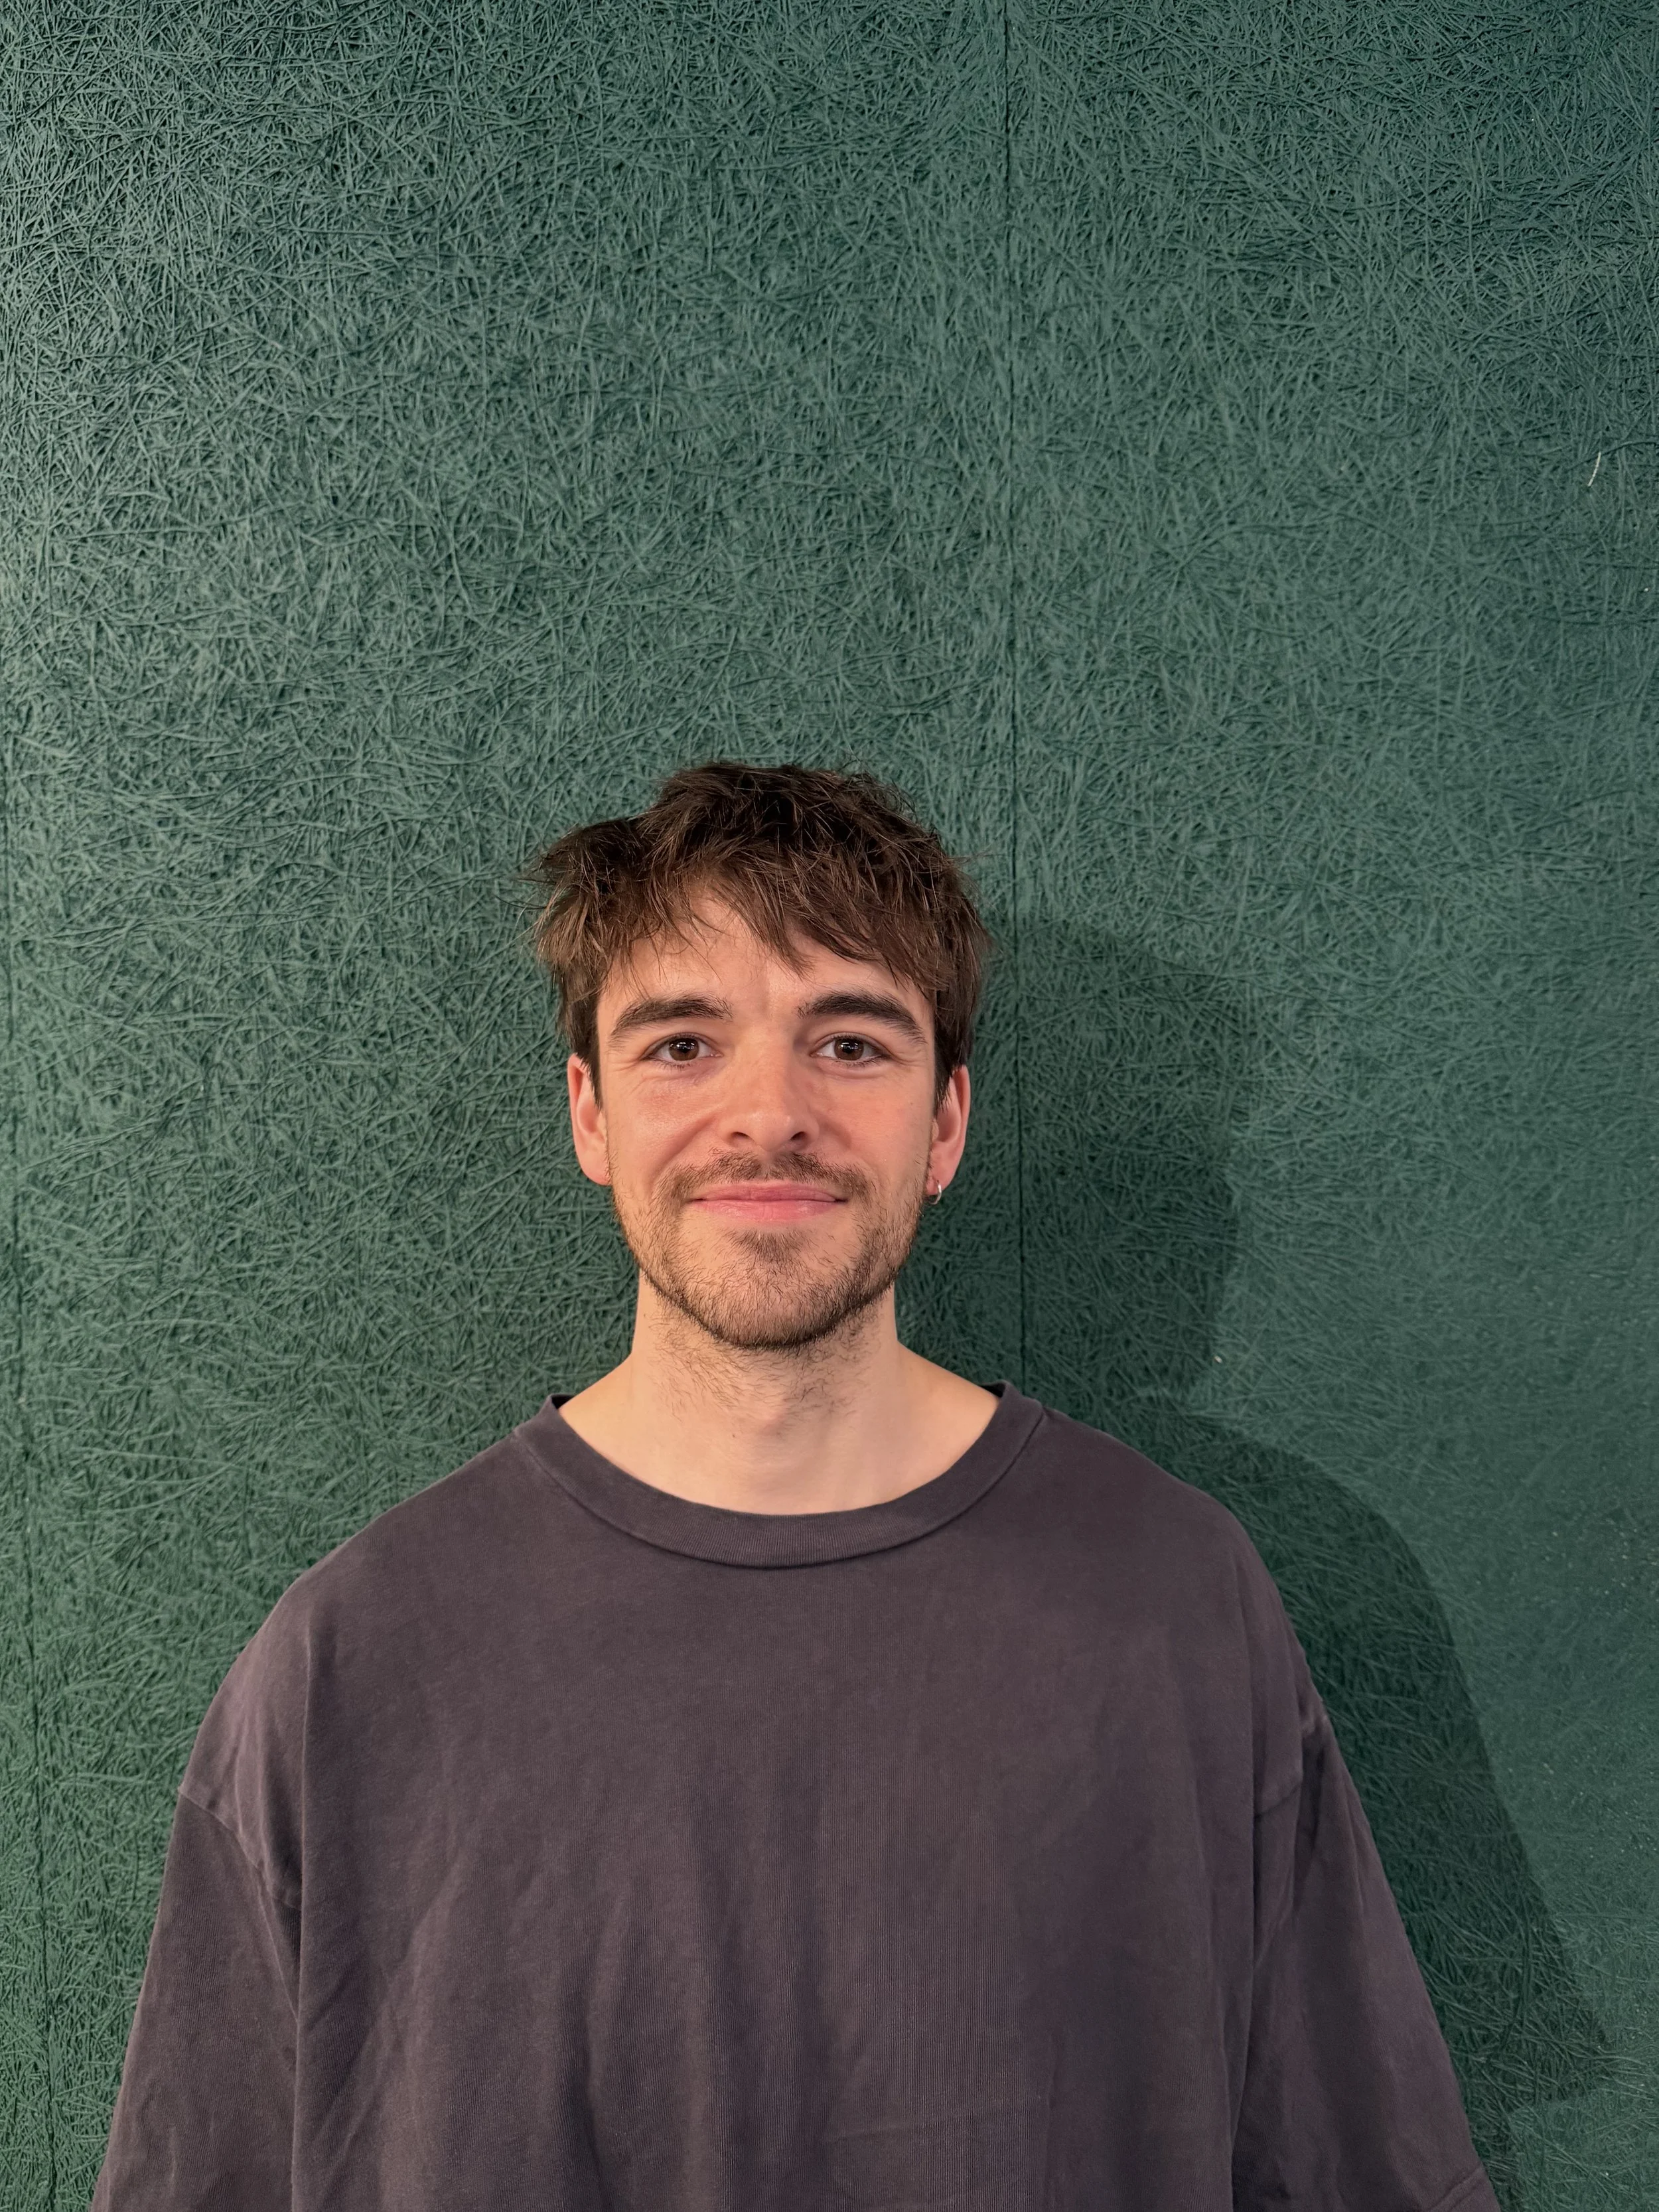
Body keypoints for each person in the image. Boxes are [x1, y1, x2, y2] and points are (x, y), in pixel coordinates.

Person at [92, 761, 1500, 2212]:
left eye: (848, 1042)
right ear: (587, 1113)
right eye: (682, 1044)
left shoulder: (1172, 1601)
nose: (767, 1116)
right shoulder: (352, 1665)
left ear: (945, 1122)